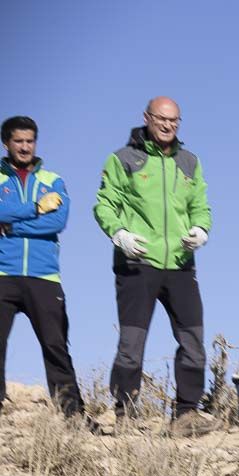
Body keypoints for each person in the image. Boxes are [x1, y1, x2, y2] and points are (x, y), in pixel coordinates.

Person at [93, 96, 221, 436]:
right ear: (147, 118)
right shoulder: (123, 158)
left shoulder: (190, 161)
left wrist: (201, 229)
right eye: (162, 119)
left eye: (175, 120)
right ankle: (126, 413)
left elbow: (201, 205)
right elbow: (105, 204)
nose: (168, 125)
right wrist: (119, 234)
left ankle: (186, 414)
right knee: (132, 343)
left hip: (180, 264)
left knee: (193, 339)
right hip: (138, 262)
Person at [0, 116, 87, 420]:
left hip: (44, 276)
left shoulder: (53, 180)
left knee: (55, 346)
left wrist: (9, 226)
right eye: (18, 141)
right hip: (3, 275)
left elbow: (58, 221)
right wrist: (35, 208)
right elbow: (41, 215)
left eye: (30, 141)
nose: (25, 147)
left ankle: (72, 413)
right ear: (6, 143)